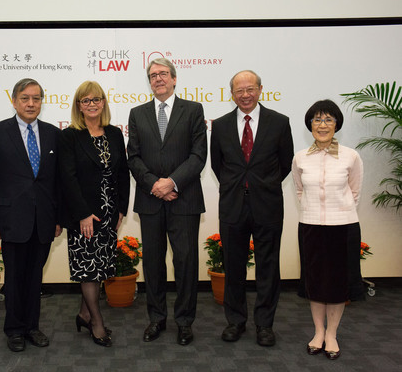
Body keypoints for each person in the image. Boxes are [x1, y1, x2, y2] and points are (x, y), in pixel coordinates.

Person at [210, 70, 294, 347]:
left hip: (267, 205)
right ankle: (235, 321)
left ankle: (264, 325)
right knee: (233, 267)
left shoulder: (279, 123)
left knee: (268, 267)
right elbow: (217, 165)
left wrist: (261, 185)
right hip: (233, 206)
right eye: (239, 91)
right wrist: (238, 185)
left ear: (260, 90)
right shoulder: (220, 125)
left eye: (250, 89)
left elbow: (285, 164)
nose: (245, 95)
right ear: (231, 94)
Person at [127, 58, 207, 346]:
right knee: (153, 263)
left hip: (184, 199)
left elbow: (198, 155)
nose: (158, 79)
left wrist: (171, 182)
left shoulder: (193, 110)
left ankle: (185, 322)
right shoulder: (137, 114)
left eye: (162, 74)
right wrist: (154, 185)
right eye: (152, 75)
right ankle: (156, 318)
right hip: (150, 201)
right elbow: (133, 157)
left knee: (186, 262)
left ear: (174, 79)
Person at [0, 78, 62, 352]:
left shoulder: (54, 134)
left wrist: (58, 218)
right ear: (14, 100)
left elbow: (57, 181)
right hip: (10, 218)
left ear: (42, 101)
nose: (31, 104)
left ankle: (32, 327)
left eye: (36, 98)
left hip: (43, 219)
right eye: (25, 98)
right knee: (15, 277)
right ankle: (14, 329)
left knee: (35, 277)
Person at [59, 81, 130, 347]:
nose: (91, 104)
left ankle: (83, 312)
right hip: (85, 215)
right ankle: (96, 322)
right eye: (85, 100)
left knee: (100, 267)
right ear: (78, 106)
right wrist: (83, 213)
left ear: (103, 102)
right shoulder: (69, 136)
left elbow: (122, 173)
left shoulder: (113, 133)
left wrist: (121, 208)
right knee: (88, 268)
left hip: (109, 211)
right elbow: (68, 178)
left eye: (96, 99)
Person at [292, 99, 363, 360]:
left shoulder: (351, 156)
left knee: (337, 282)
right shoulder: (300, 157)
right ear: (310, 125)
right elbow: (300, 190)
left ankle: (332, 333)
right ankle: (318, 332)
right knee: (315, 281)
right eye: (317, 120)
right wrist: (314, 211)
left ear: (337, 125)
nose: (322, 125)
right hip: (310, 226)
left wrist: (337, 211)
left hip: (342, 227)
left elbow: (355, 192)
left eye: (328, 120)